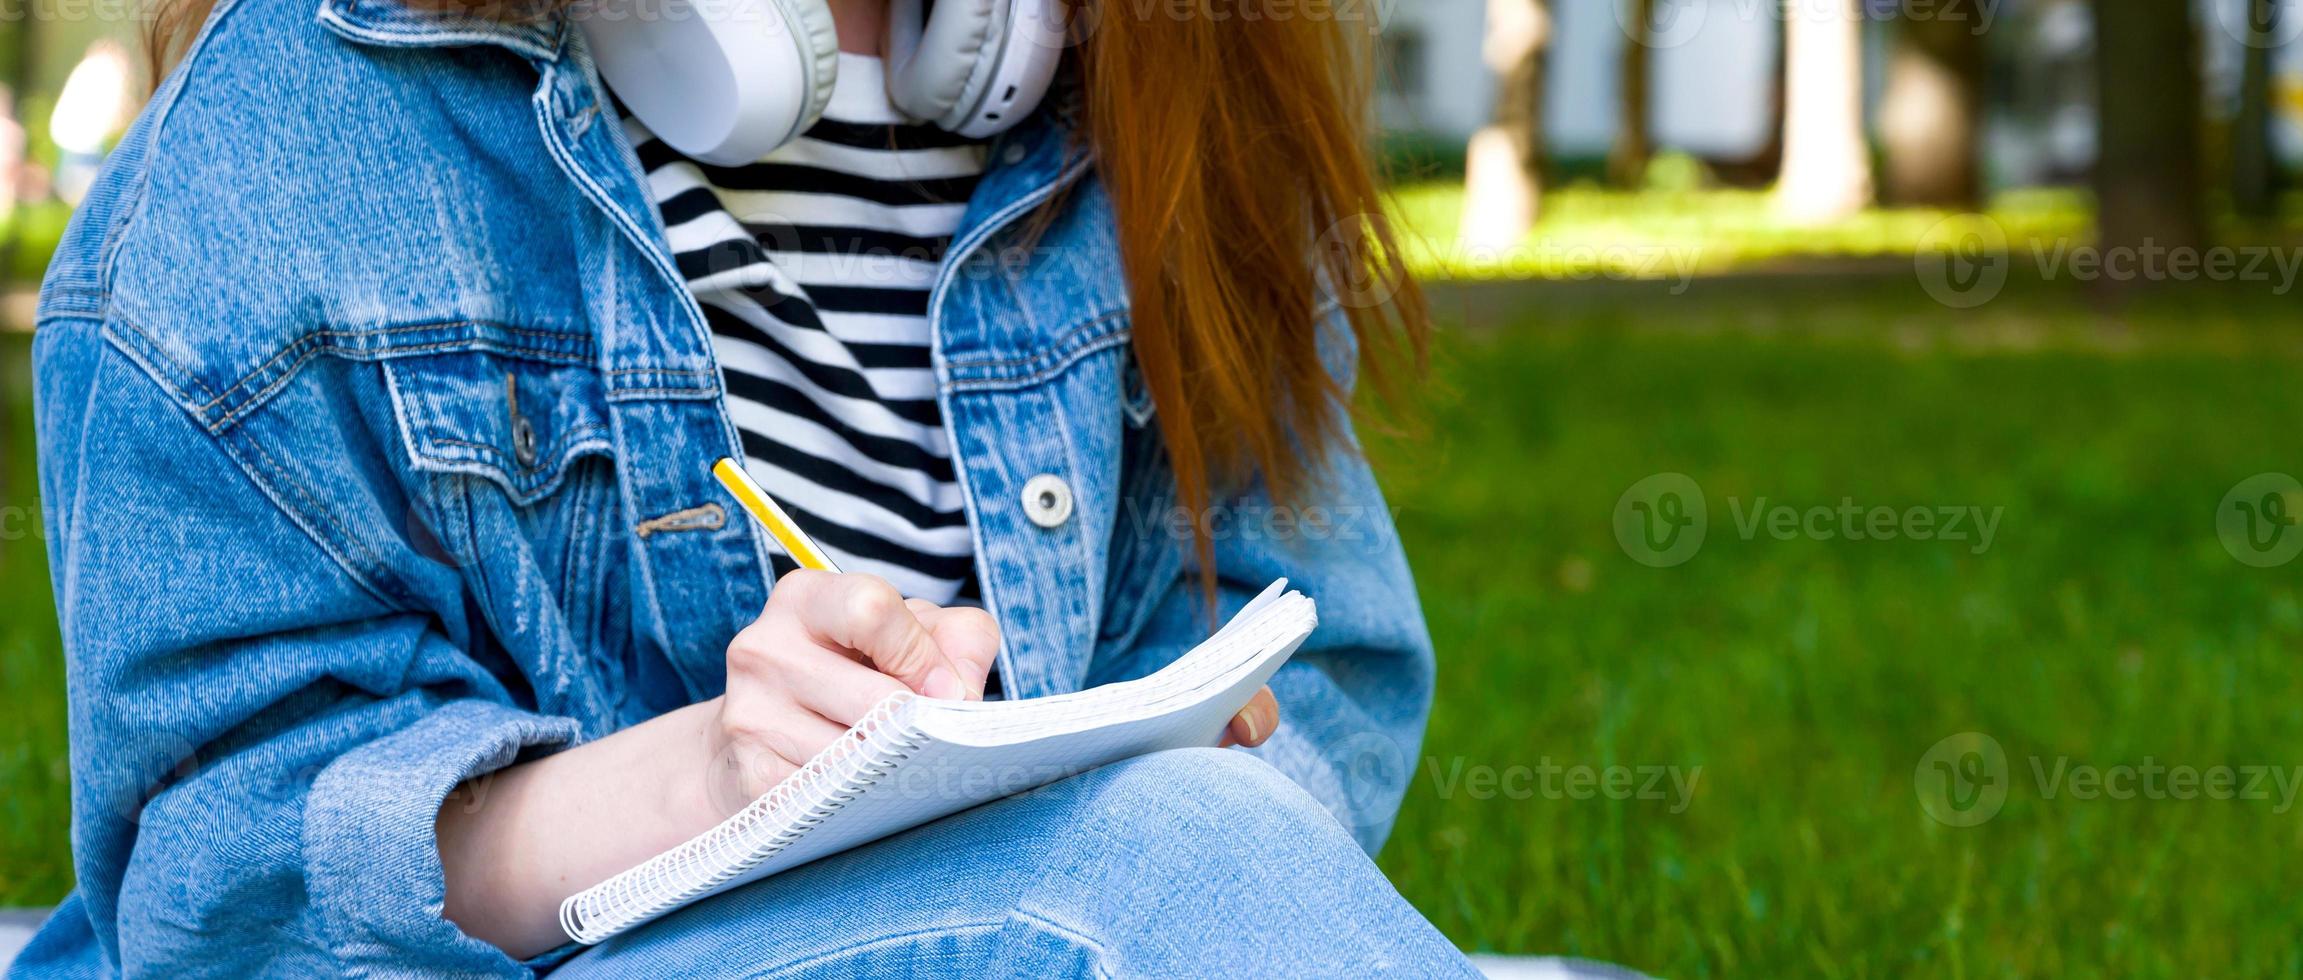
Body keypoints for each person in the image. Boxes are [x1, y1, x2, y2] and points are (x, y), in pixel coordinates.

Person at [12, 0, 1462, 974]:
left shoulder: (1168, 73)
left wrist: (1191, 737)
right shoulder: (288, 134)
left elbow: (1325, 652)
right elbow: (226, 889)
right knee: (1179, 854)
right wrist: (716, 778)